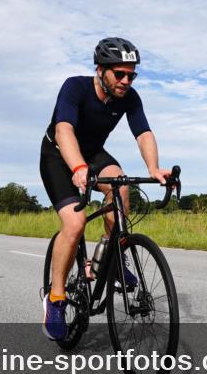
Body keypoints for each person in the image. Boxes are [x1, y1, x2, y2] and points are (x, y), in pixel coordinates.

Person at [39, 37, 171, 341]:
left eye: (131, 75)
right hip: (59, 155)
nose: (126, 81)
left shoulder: (129, 97)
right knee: (75, 222)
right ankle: (56, 300)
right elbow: (64, 130)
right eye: (119, 74)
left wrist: (153, 168)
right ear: (100, 70)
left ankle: (109, 259)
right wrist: (78, 168)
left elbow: (144, 133)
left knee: (121, 186)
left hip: (93, 153)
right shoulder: (75, 87)